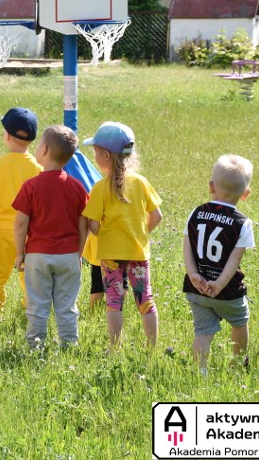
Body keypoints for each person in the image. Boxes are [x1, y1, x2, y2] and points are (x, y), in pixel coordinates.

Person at [82, 121, 162, 349]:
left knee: (114, 301)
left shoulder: (99, 188)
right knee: (145, 298)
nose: (95, 157)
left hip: (109, 253)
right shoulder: (141, 183)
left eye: (95, 153)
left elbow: (93, 226)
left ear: (105, 155)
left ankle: (115, 347)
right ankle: (152, 347)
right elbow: (156, 216)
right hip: (138, 251)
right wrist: (140, 232)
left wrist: (102, 233)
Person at [12, 126, 88, 348]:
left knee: (37, 304)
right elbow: (83, 223)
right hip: (68, 256)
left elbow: (20, 223)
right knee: (66, 305)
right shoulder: (76, 186)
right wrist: (79, 252)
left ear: (43, 149)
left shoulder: (31, 185)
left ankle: (35, 345)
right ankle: (69, 344)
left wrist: (19, 253)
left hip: (37, 256)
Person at [183, 154, 254, 375]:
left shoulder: (196, 212)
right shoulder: (242, 223)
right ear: (245, 194)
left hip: (197, 286)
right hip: (227, 291)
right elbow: (235, 260)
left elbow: (187, 248)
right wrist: (219, 284)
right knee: (239, 323)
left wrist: (194, 274)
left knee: (202, 332)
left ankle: (200, 372)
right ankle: (235, 367)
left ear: (211, 186)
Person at [0, 107, 42, 313]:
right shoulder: (38, 168)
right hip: (29, 231)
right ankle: (30, 308)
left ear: (7, 135)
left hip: (1, 230)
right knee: (29, 276)